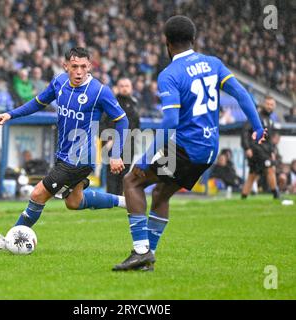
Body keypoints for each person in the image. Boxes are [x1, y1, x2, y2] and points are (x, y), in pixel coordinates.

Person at [112, 15, 266, 271]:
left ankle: (141, 251)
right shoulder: (213, 63)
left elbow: (171, 120)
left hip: (186, 147)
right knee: (161, 193)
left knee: (132, 180)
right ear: (193, 40)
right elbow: (241, 93)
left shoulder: (169, 74)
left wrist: (145, 157)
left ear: (167, 43)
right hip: (209, 149)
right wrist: (258, 126)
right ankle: (147, 257)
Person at [0, 47, 129, 251]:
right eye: (75, 66)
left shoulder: (99, 91)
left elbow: (122, 120)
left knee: (37, 194)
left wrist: (115, 155)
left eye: (84, 67)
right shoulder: (59, 82)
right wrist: (11, 114)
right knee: (74, 202)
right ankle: (126, 201)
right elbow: (38, 102)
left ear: (90, 67)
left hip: (79, 159)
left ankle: (9, 241)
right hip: (63, 155)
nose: (79, 71)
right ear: (65, 65)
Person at [101, 77, 140, 195]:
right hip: (114, 144)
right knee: (112, 174)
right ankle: (111, 200)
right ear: (117, 88)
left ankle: (120, 200)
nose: (124, 88)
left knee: (125, 174)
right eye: (121, 86)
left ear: (131, 88)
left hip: (129, 144)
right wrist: (108, 139)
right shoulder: (112, 103)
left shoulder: (134, 104)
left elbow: (136, 124)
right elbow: (102, 123)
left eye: (127, 86)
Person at [241, 96, 279, 199]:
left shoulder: (269, 120)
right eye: (268, 104)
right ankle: (276, 194)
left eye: (272, 105)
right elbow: (245, 131)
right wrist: (247, 147)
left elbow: (269, 138)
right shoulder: (256, 116)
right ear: (263, 104)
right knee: (270, 168)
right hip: (256, 149)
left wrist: (272, 151)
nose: (269, 107)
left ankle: (243, 196)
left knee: (253, 174)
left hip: (265, 150)